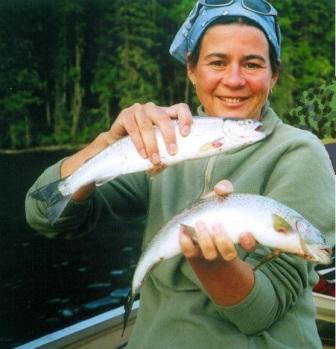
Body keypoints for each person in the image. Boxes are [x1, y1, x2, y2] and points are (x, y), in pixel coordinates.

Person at [25, 0, 334, 348]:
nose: (233, 80)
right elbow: (43, 217)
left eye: (252, 64)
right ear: (191, 69)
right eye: (217, 62)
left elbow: (260, 313)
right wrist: (107, 146)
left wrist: (207, 260)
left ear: (273, 75)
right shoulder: (166, 142)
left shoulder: (301, 152)